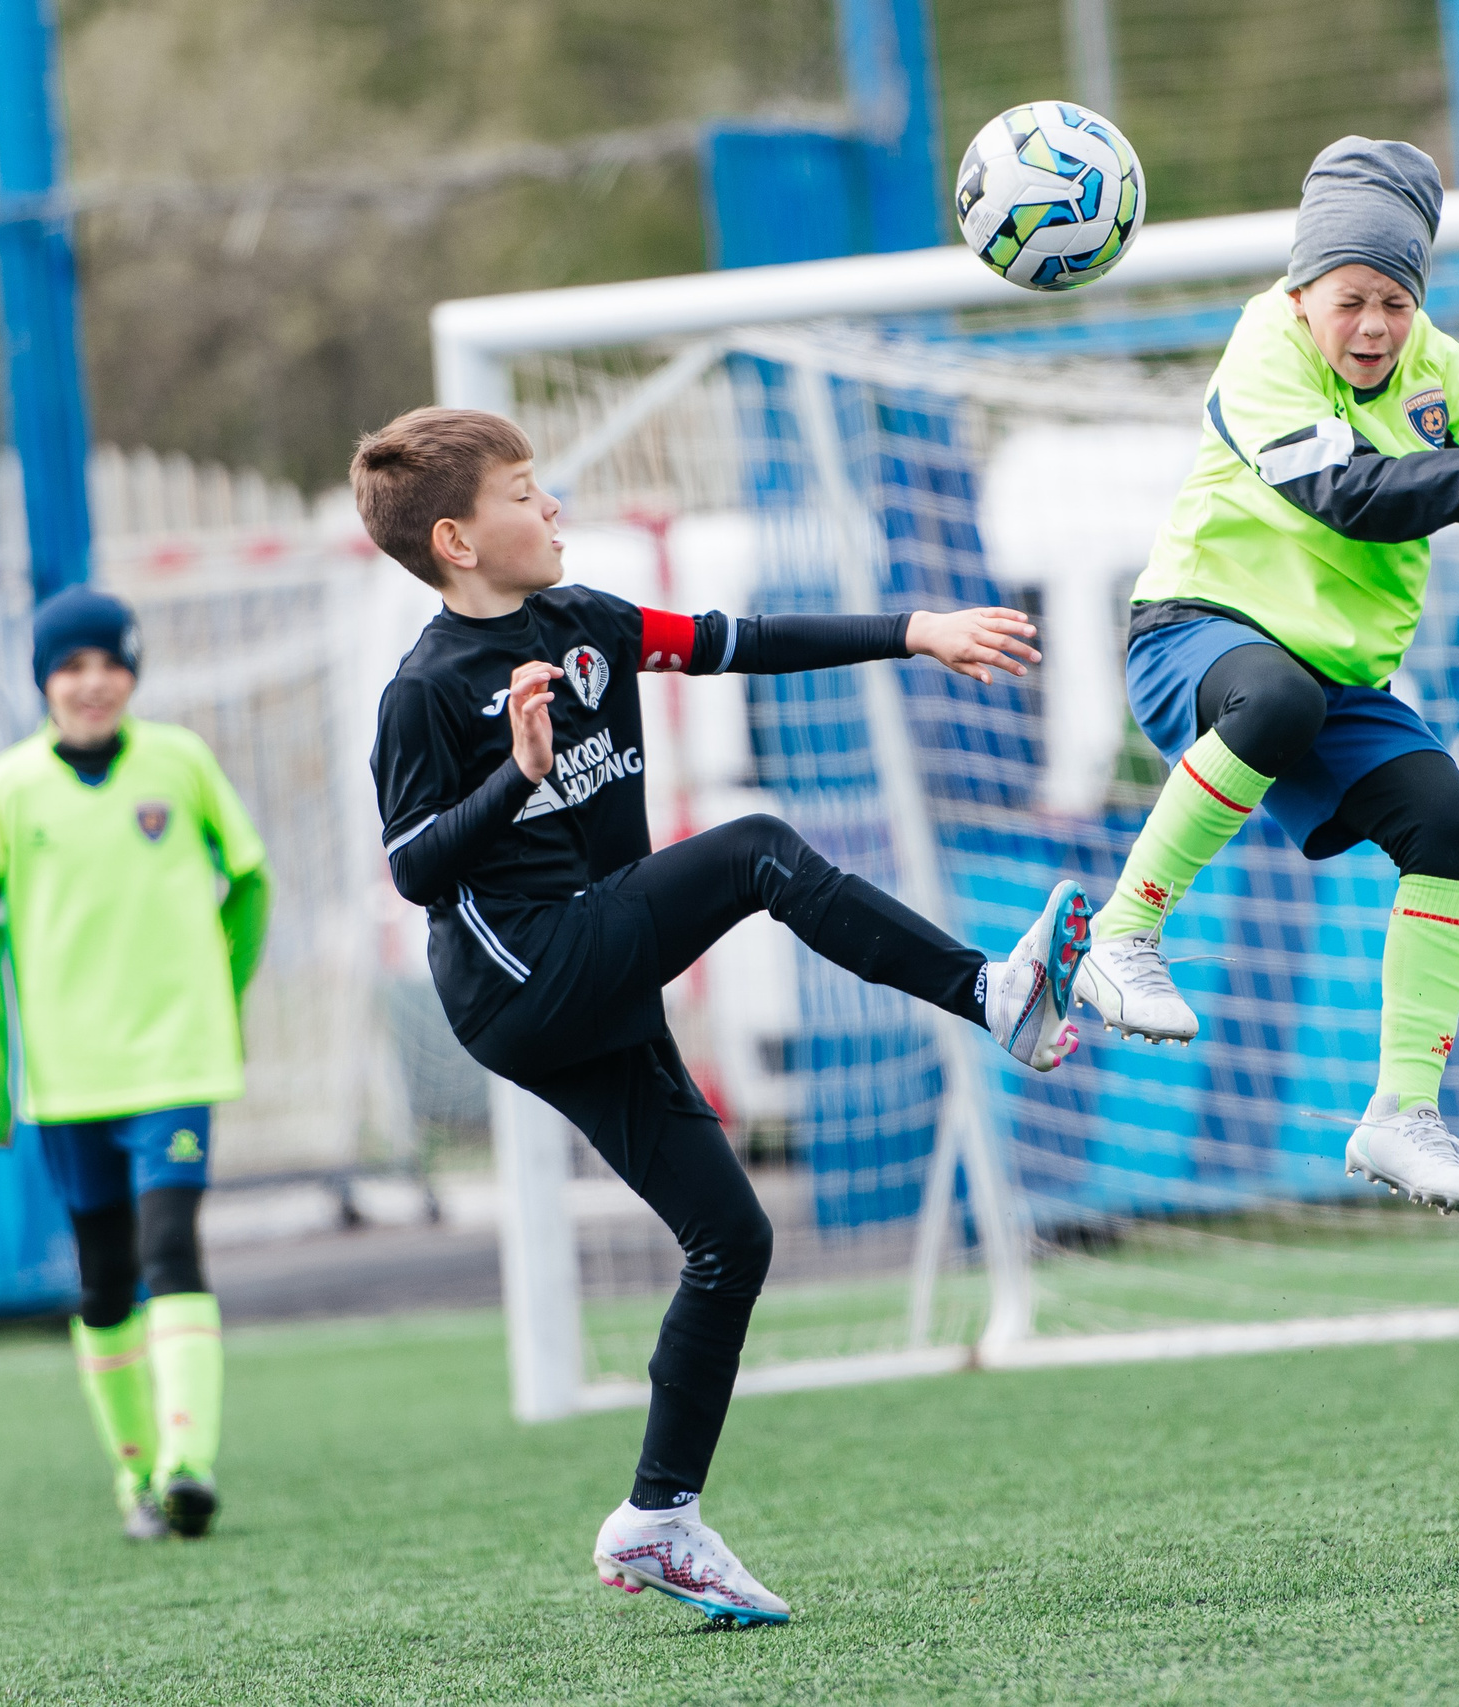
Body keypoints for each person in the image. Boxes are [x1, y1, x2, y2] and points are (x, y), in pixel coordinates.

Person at [356, 406, 1090, 1628]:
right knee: (753, 850)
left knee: (731, 1241)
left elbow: (738, 639)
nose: (552, 510)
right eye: (526, 493)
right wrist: (517, 778)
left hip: (591, 968)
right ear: (457, 538)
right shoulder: (425, 692)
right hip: (524, 981)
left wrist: (917, 633)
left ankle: (659, 1519)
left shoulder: (586, 622)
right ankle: (989, 993)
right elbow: (416, 867)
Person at [1073, 136, 1459, 1218]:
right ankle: (1123, 936)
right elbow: (1345, 492)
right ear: (1302, 287)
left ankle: (1400, 1114)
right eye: (1352, 299)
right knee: (1275, 700)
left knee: (1450, 822)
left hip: (1335, 679)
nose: (1373, 325)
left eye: (1396, 302)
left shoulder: (1438, 369)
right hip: (1197, 630)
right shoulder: (1263, 346)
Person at [0, 585, 271, 1537]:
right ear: (45, 680)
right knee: (103, 1278)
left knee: (173, 1247)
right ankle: (136, 1477)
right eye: (72, 666)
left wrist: (221, 988)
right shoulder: (10, 787)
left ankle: (188, 1462)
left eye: (110, 663)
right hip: (68, 1076)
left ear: (134, 671)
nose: (93, 683)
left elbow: (249, 881)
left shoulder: (179, 762)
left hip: (174, 1060)